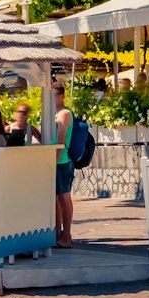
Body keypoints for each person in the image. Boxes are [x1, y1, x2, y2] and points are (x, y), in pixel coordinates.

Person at [56, 104, 95, 246]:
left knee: (63, 197)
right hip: (60, 161)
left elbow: (60, 143)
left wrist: (53, 161)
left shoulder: (63, 115)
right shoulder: (55, 113)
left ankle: (66, 237)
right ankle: (60, 235)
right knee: (57, 199)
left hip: (63, 161)